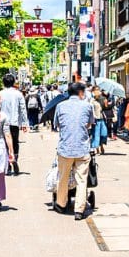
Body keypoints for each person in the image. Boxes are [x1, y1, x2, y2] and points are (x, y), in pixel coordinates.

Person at [53, 82, 95, 220]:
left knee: (63, 177)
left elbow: (57, 124)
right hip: (82, 148)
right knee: (82, 180)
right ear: (81, 93)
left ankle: (61, 204)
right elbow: (89, 124)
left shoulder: (60, 106)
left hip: (65, 148)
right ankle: (79, 210)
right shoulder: (88, 106)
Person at [0, 74, 28, 175]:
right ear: (13, 82)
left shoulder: (0, 94)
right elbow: (23, 109)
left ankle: (7, 165)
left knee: (4, 143)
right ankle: (14, 159)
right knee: (15, 142)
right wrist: (24, 123)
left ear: (3, 82)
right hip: (14, 122)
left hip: (2, 122)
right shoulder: (18, 94)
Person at [89, 88, 107, 155]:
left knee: (103, 133)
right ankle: (97, 149)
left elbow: (106, 108)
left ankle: (101, 145)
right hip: (95, 119)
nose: (98, 91)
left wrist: (106, 103)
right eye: (96, 90)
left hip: (102, 118)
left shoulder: (102, 99)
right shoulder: (92, 100)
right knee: (96, 134)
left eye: (98, 90)